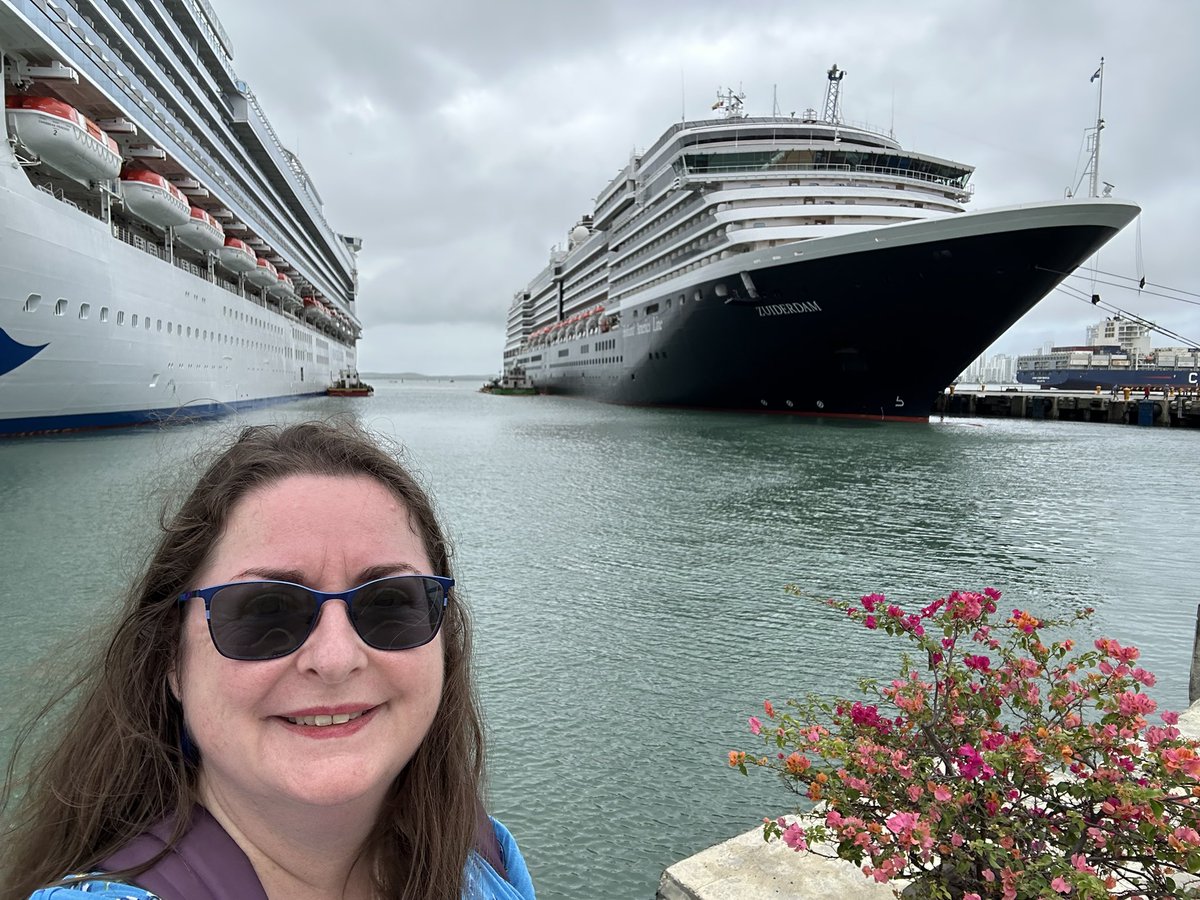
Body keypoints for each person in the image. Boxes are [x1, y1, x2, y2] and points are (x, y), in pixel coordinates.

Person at [1, 421, 536, 900]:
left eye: (392, 604)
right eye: (264, 612)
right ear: (171, 657)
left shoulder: (484, 853)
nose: (334, 658)